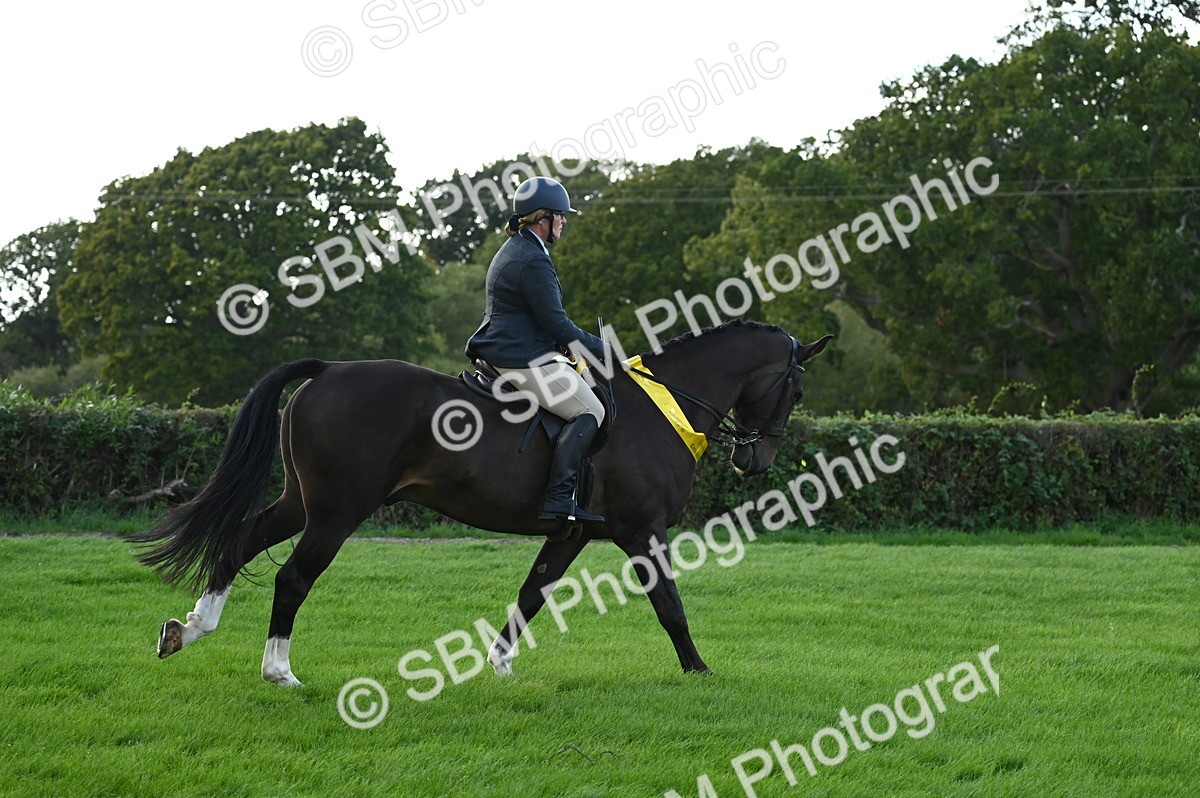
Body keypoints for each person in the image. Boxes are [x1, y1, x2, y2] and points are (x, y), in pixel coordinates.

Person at [466, 176, 608, 525]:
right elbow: (557, 325)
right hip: (520, 358)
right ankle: (559, 500)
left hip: (513, 347)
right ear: (542, 218)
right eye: (560, 216)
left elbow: (538, 319)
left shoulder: (520, 248)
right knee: (591, 410)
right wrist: (601, 348)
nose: (564, 222)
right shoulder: (532, 259)